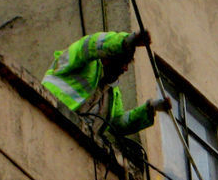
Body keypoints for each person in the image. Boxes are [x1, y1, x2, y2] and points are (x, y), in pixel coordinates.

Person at [42, 29, 171, 135]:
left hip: (73, 143)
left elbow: (119, 124)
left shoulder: (112, 93)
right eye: (123, 62)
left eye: (127, 64)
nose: (125, 69)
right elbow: (89, 44)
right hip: (47, 117)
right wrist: (126, 41)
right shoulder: (83, 62)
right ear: (108, 57)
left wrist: (151, 108)